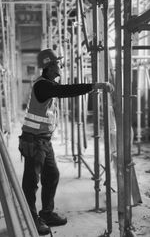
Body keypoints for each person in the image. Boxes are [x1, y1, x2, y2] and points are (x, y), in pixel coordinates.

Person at [18, 48, 111, 236]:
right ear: (49, 66)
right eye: (57, 63)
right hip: (34, 141)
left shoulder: (48, 84)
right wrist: (93, 86)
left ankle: (47, 213)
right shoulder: (43, 86)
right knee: (31, 182)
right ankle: (32, 218)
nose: (60, 65)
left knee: (52, 174)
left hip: (44, 140)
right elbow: (64, 91)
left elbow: (58, 94)